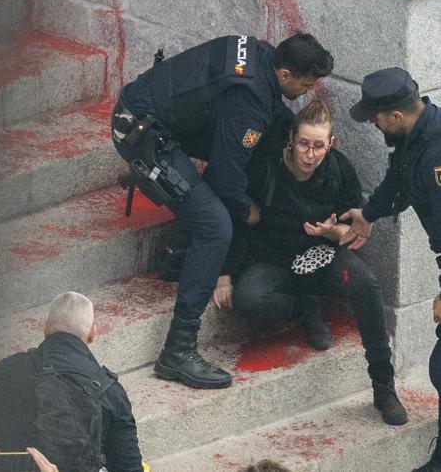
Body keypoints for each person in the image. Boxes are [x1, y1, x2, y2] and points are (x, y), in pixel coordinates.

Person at [112, 32, 333, 389]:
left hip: (163, 112)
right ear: (285, 74)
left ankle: (182, 251)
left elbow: (271, 117)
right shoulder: (250, 100)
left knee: (259, 147)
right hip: (140, 132)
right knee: (216, 225)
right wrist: (250, 213)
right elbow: (228, 180)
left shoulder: (261, 54)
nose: (308, 90)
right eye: (306, 82)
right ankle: (177, 351)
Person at [213, 99, 407, 426]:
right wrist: (224, 273)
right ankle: (304, 307)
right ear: (292, 139)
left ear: (330, 144)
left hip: (321, 256)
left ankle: (384, 386)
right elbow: (238, 219)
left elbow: (352, 229)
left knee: (366, 283)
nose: (310, 154)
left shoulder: (339, 169)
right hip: (273, 259)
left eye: (319, 146)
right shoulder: (267, 169)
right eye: (304, 143)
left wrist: (333, 231)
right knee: (249, 298)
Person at [341, 68, 441, 470]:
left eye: (376, 118)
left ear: (395, 116)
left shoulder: (437, 156)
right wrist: (367, 213)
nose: (374, 123)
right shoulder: (417, 137)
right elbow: (399, 182)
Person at [0, 292, 143, 472]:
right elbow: (129, 467)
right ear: (92, 334)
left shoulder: (4, 372)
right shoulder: (111, 392)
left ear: (46, 328)